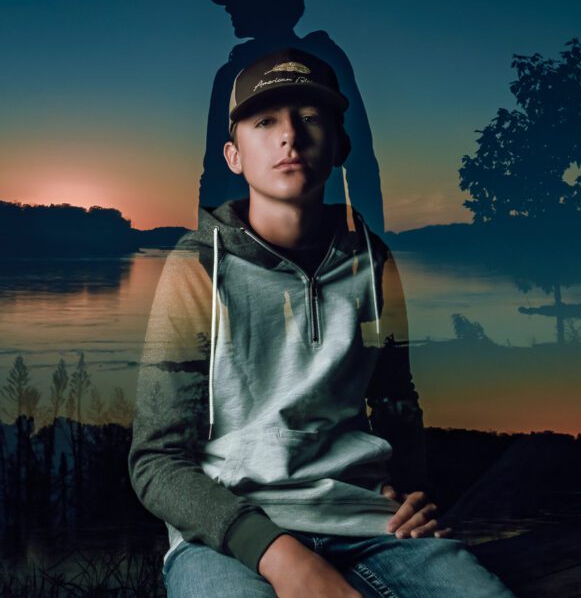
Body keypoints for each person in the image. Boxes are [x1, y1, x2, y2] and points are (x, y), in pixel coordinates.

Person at [129, 48, 515, 597]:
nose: (290, 136)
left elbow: (395, 398)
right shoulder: (196, 269)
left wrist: (411, 489)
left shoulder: (373, 262)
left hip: (366, 521)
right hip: (229, 534)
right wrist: (279, 556)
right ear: (233, 155)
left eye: (310, 119)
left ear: (339, 146)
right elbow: (156, 461)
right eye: (265, 122)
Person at [198, 0, 387, 236]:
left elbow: (359, 159)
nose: (229, 9)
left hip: (311, 246)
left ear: (263, 1)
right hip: (253, 247)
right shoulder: (234, 72)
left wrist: (373, 250)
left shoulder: (234, 74)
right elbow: (362, 164)